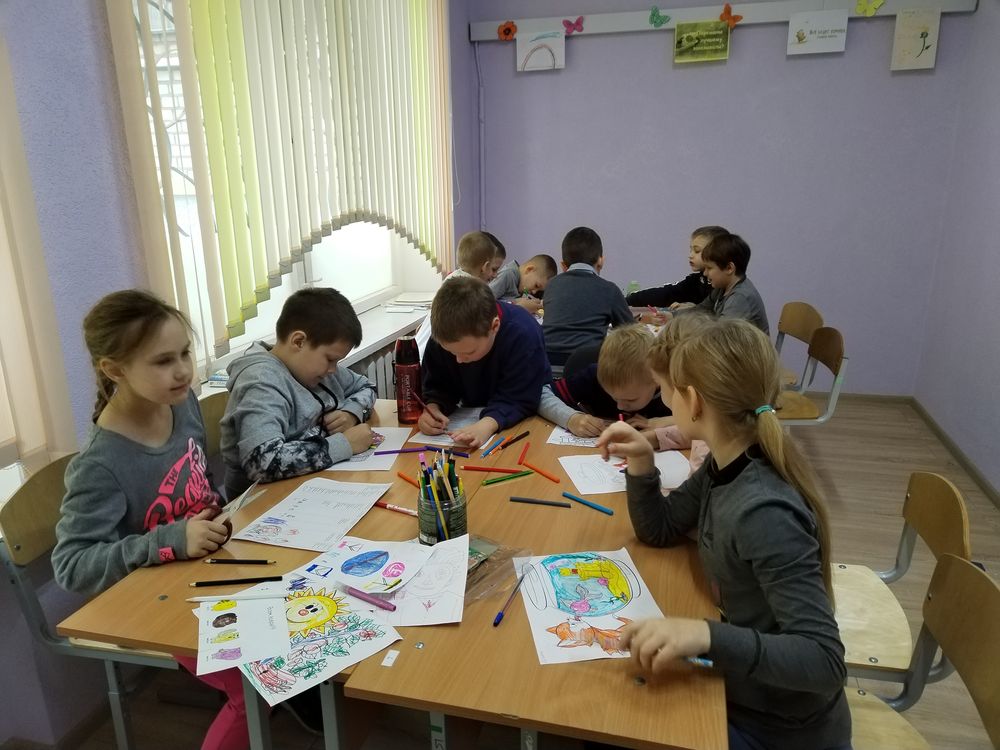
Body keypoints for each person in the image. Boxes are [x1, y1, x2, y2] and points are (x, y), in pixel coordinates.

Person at [597, 318, 849, 750]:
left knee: (610, 719)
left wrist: (705, 635)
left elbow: (825, 662)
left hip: (778, 729)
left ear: (693, 401)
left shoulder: (764, 511)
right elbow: (661, 529)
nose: (664, 398)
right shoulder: (725, 463)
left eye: (668, 389)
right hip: (740, 690)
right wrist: (641, 464)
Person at [51, 290, 248, 750]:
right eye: (162, 361)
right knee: (253, 685)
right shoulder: (100, 463)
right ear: (114, 370)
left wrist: (216, 511)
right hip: (157, 597)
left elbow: (198, 483)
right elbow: (72, 566)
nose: (182, 370)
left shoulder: (182, 402)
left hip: (208, 567)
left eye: (184, 353)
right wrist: (172, 539)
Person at [220, 287, 375, 499]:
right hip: (263, 503)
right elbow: (263, 462)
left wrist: (352, 412)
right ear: (298, 342)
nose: (333, 369)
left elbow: (367, 386)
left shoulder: (317, 370)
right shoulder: (261, 381)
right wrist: (344, 444)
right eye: (330, 359)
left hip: (314, 485)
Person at [419, 276, 550, 448]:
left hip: (527, 426)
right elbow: (438, 384)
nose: (459, 360)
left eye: (468, 352)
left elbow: (520, 397)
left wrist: (486, 425)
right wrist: (433, 408)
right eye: (451, 352)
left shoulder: (524, 334)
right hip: (471, 414)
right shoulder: (445, 335)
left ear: (494, 326)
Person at [541, 226, 634, 370]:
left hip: (547, 365)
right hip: (586, 368)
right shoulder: (609, 289)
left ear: (563, 266)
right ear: (601, 261)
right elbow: (631, 334)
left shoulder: (552, 285)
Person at [672, 232, 769, 334]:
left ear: (729, 268)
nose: (705, 273)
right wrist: (672, 316)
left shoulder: (740, 297)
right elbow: (701, 310)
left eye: (709, 268)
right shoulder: (722, 288)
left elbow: (720, 336)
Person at [627, 225, 727, 311]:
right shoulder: (696, 281)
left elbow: (719, 316)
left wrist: (693, 309)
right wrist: (628, 300)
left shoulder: (722, 284)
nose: (690, 255)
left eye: (697, 251)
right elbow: (667, 294)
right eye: (691, 250)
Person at [489, 253, 558, 313]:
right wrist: (517, 305)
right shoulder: (508, 275)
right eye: (536, 285)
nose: (534, 292)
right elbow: (485, 302)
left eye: (538, 290)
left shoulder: (522, 286)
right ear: (529, 270)